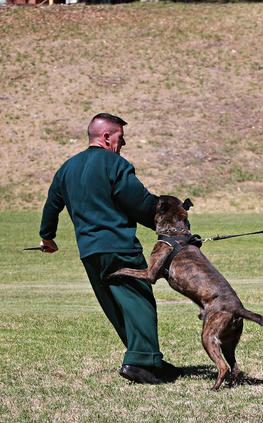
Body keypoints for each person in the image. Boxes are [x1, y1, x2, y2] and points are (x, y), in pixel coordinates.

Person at [39, 113, 179, 385]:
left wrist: (47, 236)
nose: (122, 144)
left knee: (116, 306)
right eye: (120, 139)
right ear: (106, 137)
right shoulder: (115, 164)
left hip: (90, 252)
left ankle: (148, 359)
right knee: (138, 301)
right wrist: (171, 225)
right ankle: (140, 363)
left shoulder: (66, 168)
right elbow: (139, 203)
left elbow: (51, 204)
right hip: (118, 246)